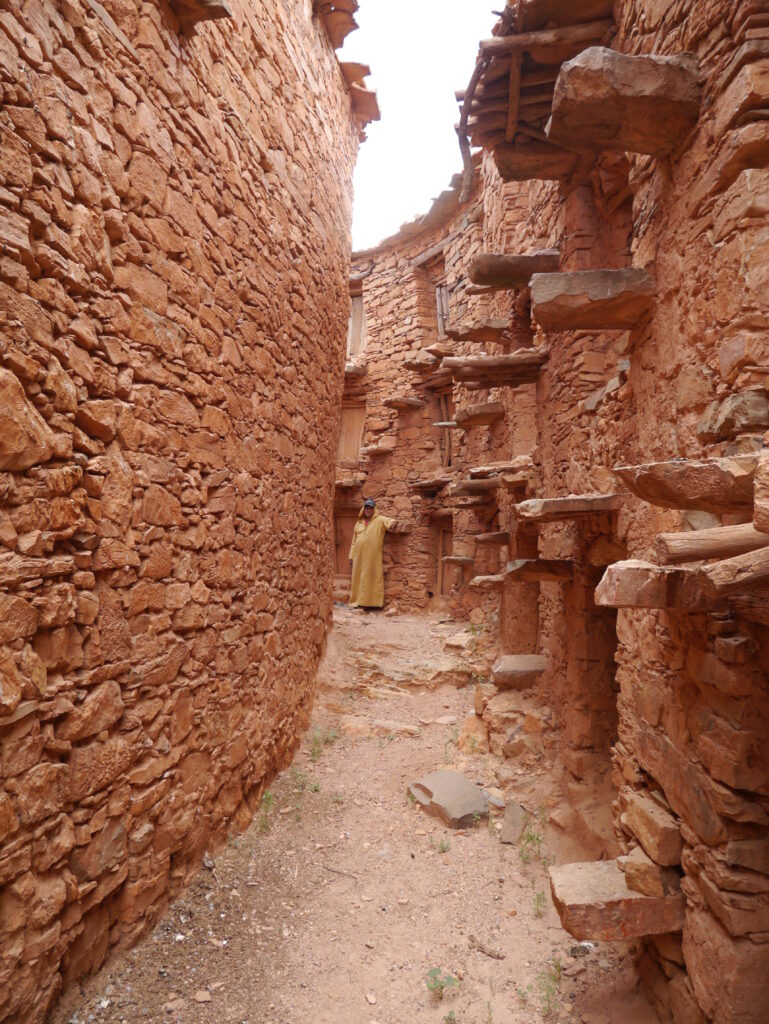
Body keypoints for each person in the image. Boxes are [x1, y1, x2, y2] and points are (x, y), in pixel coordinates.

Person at [348, 498, 397, 609]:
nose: (368, 510)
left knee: (371, 577)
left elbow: (389, 521)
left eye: (370, 508)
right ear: (363, 509)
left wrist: (393, 523)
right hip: (358, 555)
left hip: (372, 556)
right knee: (358, 578)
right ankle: (357, 601)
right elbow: (354, 541)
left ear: (374, 509)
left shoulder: (379, 520)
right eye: (366, 508)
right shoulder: (358, 523)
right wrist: (351, 556)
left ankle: (371, 603)